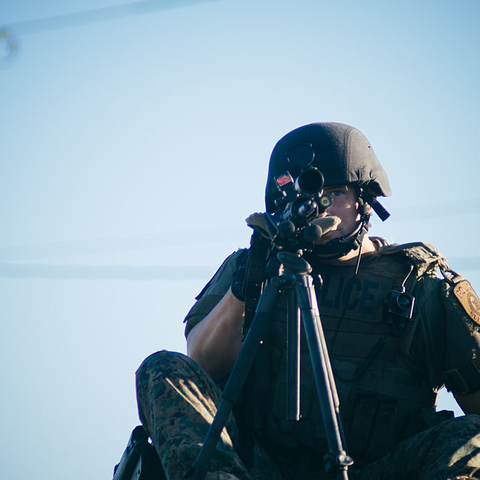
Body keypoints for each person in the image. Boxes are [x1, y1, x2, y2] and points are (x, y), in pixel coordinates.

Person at [135, 122, 480, 480]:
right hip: (257, 467)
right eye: (298, 196)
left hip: (376, 470)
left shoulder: (421, 286)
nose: (315, 208)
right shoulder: (254, 265)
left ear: (365, 199)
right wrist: (249, 283)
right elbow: (202, 363)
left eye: (330, 194)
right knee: (162, 368)